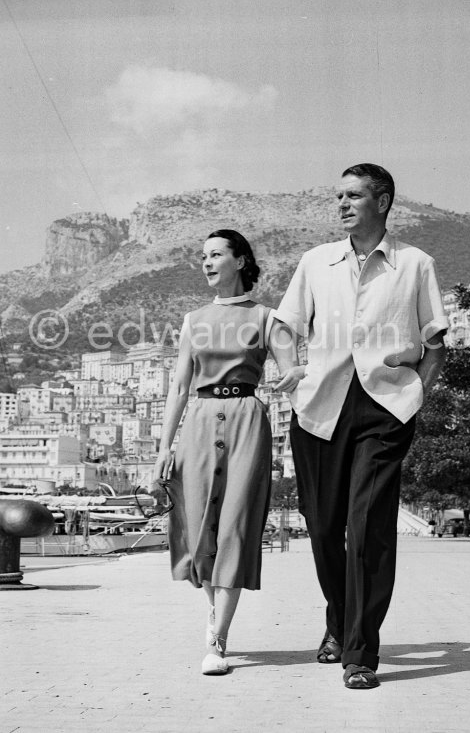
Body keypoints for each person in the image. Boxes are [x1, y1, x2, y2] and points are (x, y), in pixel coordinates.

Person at [274, 163, 449, 690]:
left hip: (384, 407)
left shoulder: (415, 264)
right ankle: (338, 622)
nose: (342, 205)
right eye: (339, 197)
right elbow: (283, 327)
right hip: (318, 407)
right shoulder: (315, 262)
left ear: (384, 201)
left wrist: (417, 392)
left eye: (353, 196)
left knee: (368, 525)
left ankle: (360, 653)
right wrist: (288, 369)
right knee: (325, 527)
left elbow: (436, 340)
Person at [153, 229, 302, 676]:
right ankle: (215, 612)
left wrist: (294, 374)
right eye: (203, 255)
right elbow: (179, 386)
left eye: (216, 254)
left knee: (234, 526)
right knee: (197, 526)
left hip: (246, 422)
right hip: (198, 422)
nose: (206, 262)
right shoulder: (192, 319)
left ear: (240, 261)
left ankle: (218, 640)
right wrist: (163, 448)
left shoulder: (267, 316)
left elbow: (291, 368)